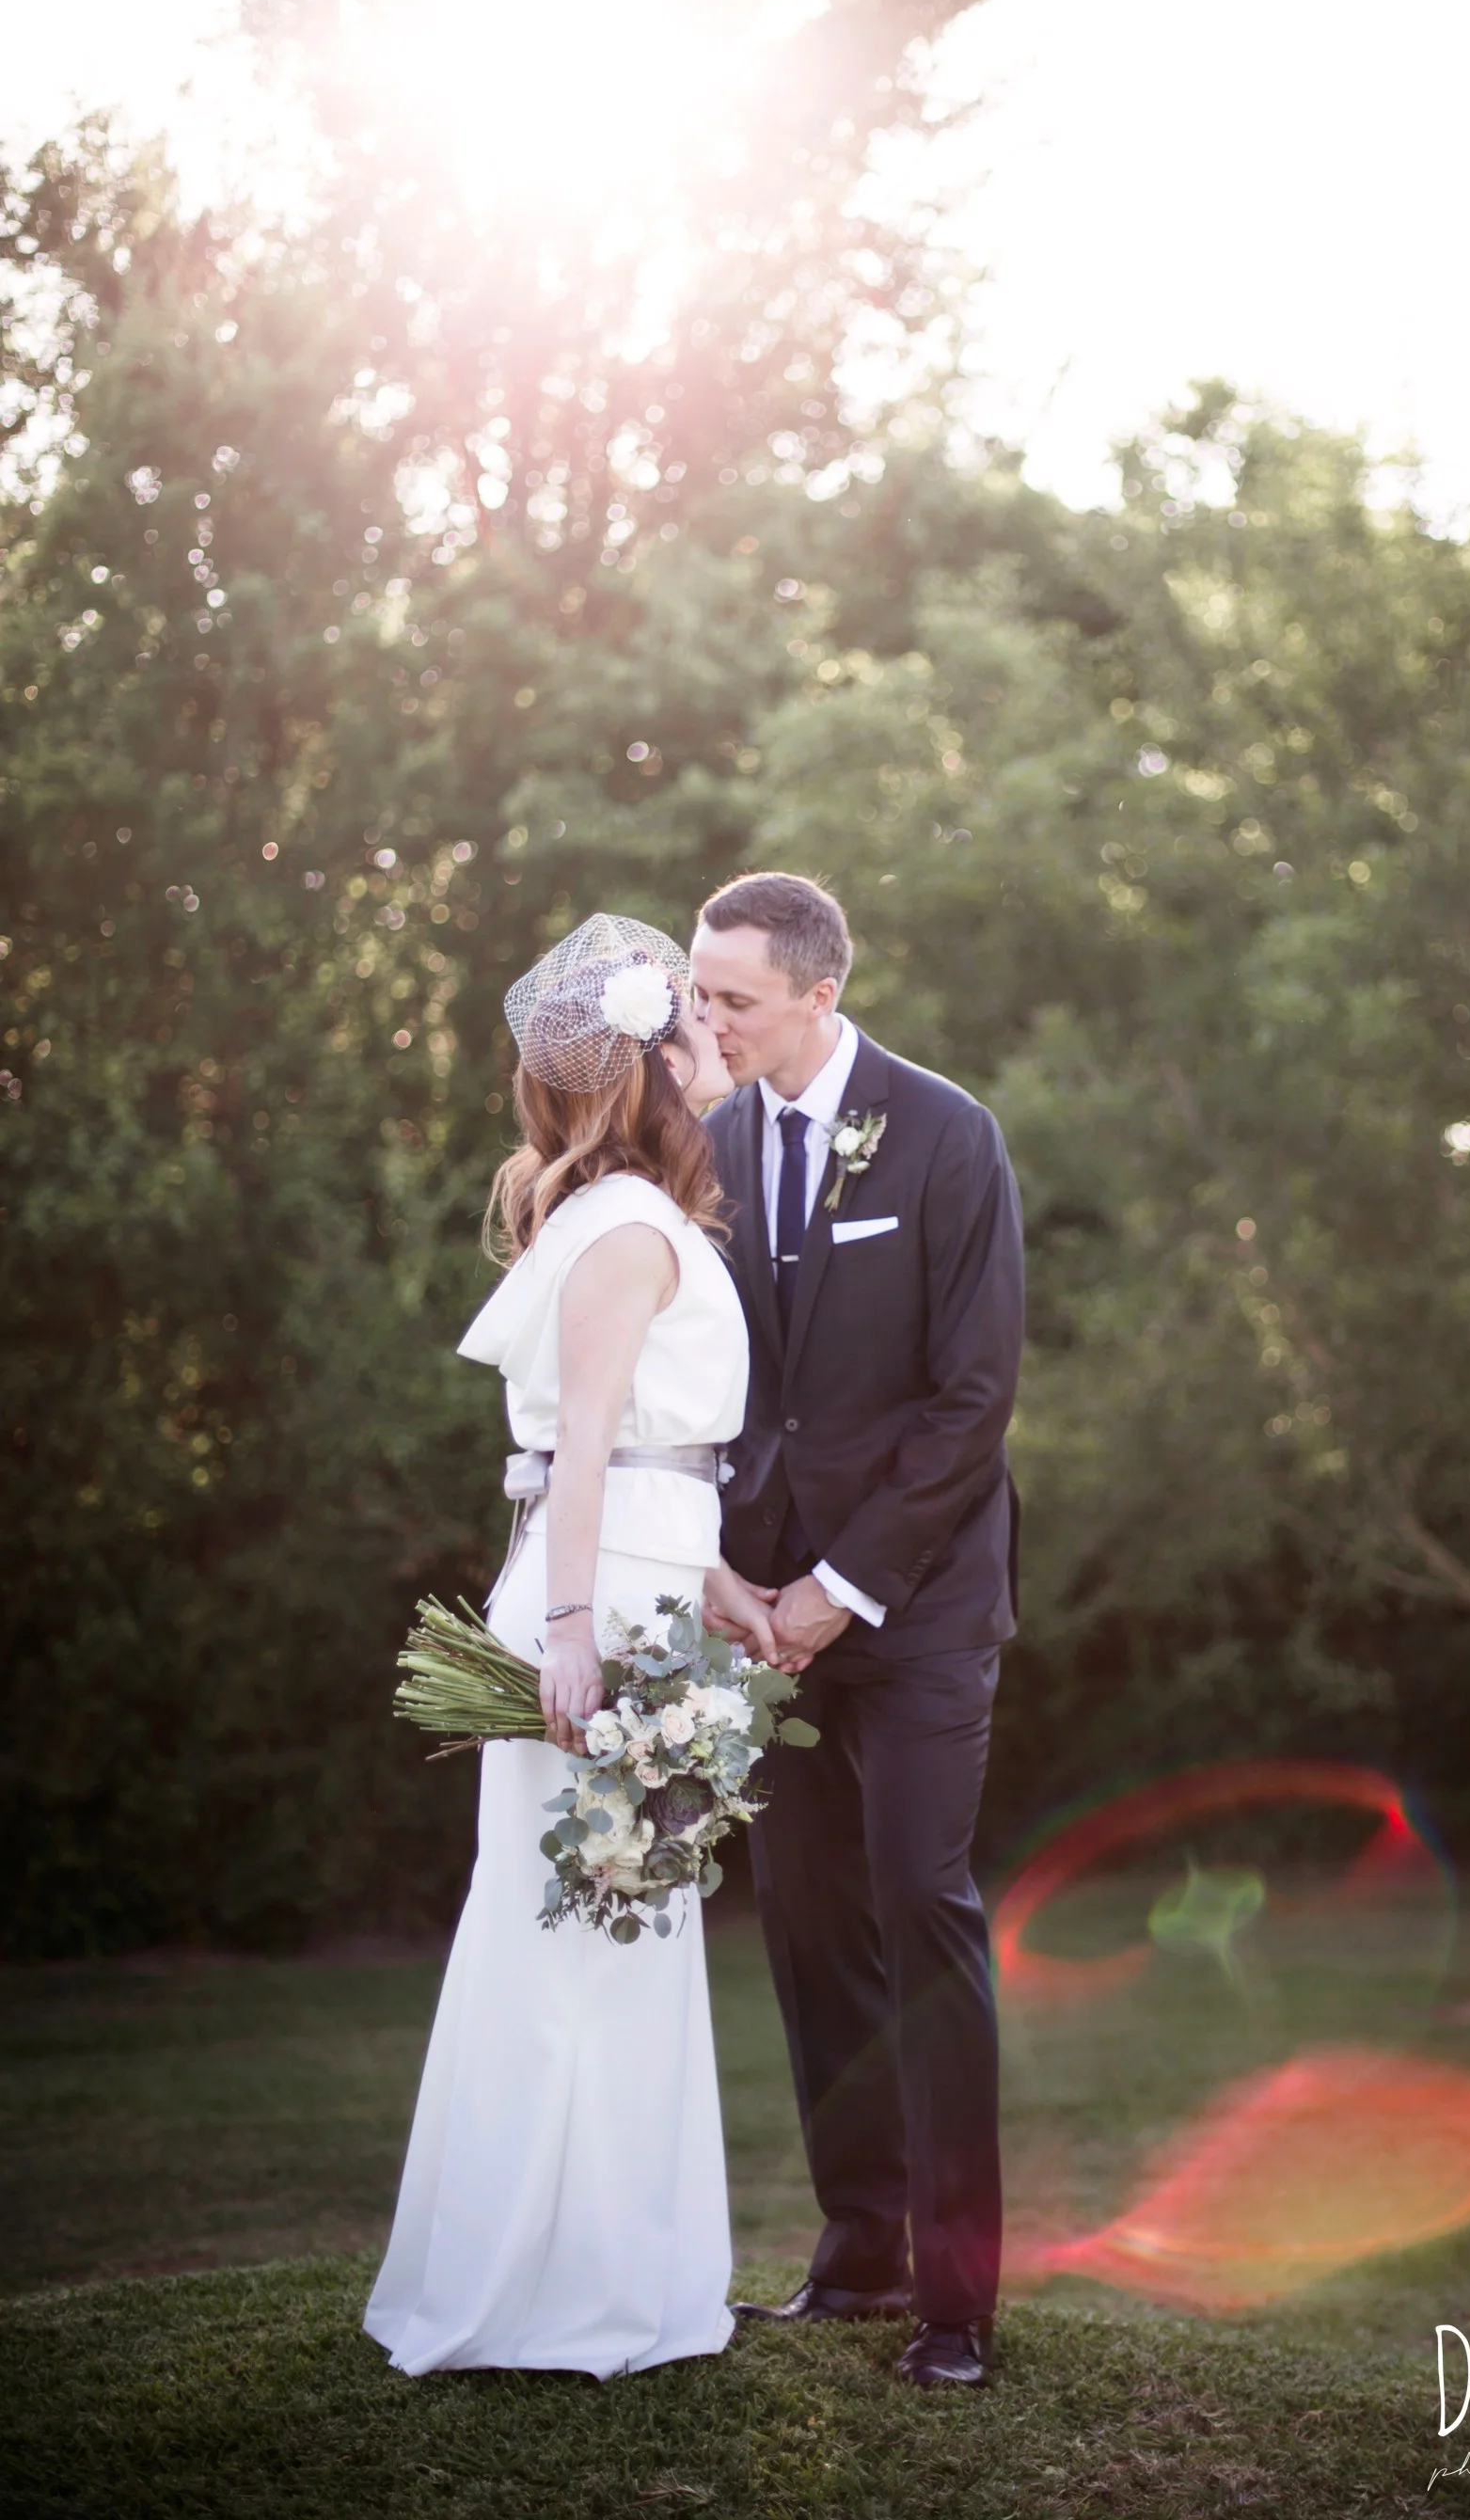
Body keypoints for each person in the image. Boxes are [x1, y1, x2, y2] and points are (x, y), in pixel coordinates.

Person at [366, 913, 778, 2378]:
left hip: (647, 1593)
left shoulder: (635, 1220)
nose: (715, 1041)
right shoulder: (618, 1228)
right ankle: (535, 2299)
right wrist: (565, 1639)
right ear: (650, 1072)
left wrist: (718, 1575)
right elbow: (584, 1450)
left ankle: (615, 2279)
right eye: (690, 1030)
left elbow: (642, 1456)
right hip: (594, 1616)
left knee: (625, 1937)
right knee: (570, 1938)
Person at [694, 871, 1023, 2392]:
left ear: (821, 992)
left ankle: (958, 2304)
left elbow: (973, 1402)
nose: (709, 1024)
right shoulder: (708, 1144)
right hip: (764, 1619)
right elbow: (705, 1387)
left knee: (920, 1905)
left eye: (734, 1001)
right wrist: (741, 1585)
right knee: (812, 1926)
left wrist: (847, 1583)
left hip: (919, 1606)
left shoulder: (947, 1134)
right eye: (702, 997)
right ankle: (859, 2248)